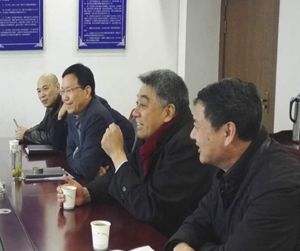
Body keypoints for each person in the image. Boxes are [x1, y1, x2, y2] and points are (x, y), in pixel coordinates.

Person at [164, 78, 300, 251]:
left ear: (228, 132)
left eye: (197, 126)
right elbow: (197, 221)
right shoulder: (231, 167)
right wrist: (181, 245)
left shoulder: (281, 186)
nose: (192, 135)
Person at [57, 69, 213, 237]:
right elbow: (126, 172)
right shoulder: (151, 134)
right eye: (137, 103)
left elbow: (149, 208)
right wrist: (87, 193)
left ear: (168, 112)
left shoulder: (187, 145)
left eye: (143, 105)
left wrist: (117, 156)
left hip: (172, 241)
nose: (135, 112)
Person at [62, 63, 130, 179]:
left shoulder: (96, 117)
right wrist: (79, 157)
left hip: (109, 183)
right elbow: (68, 151)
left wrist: (76, 156)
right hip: (91, 180)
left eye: (69, 90)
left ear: (87, 91)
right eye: (62, 91)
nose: (64, 97)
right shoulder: (72, 113)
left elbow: (87, 168)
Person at [15, 73, 68, 151]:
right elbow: (42, 126)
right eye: (39, 91)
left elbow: (51, 137)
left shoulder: (66, 107)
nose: (42, 95)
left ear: (57, 87)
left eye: (45, 89)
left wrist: (26, 134)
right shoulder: (51, 107)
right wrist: (24, 132)